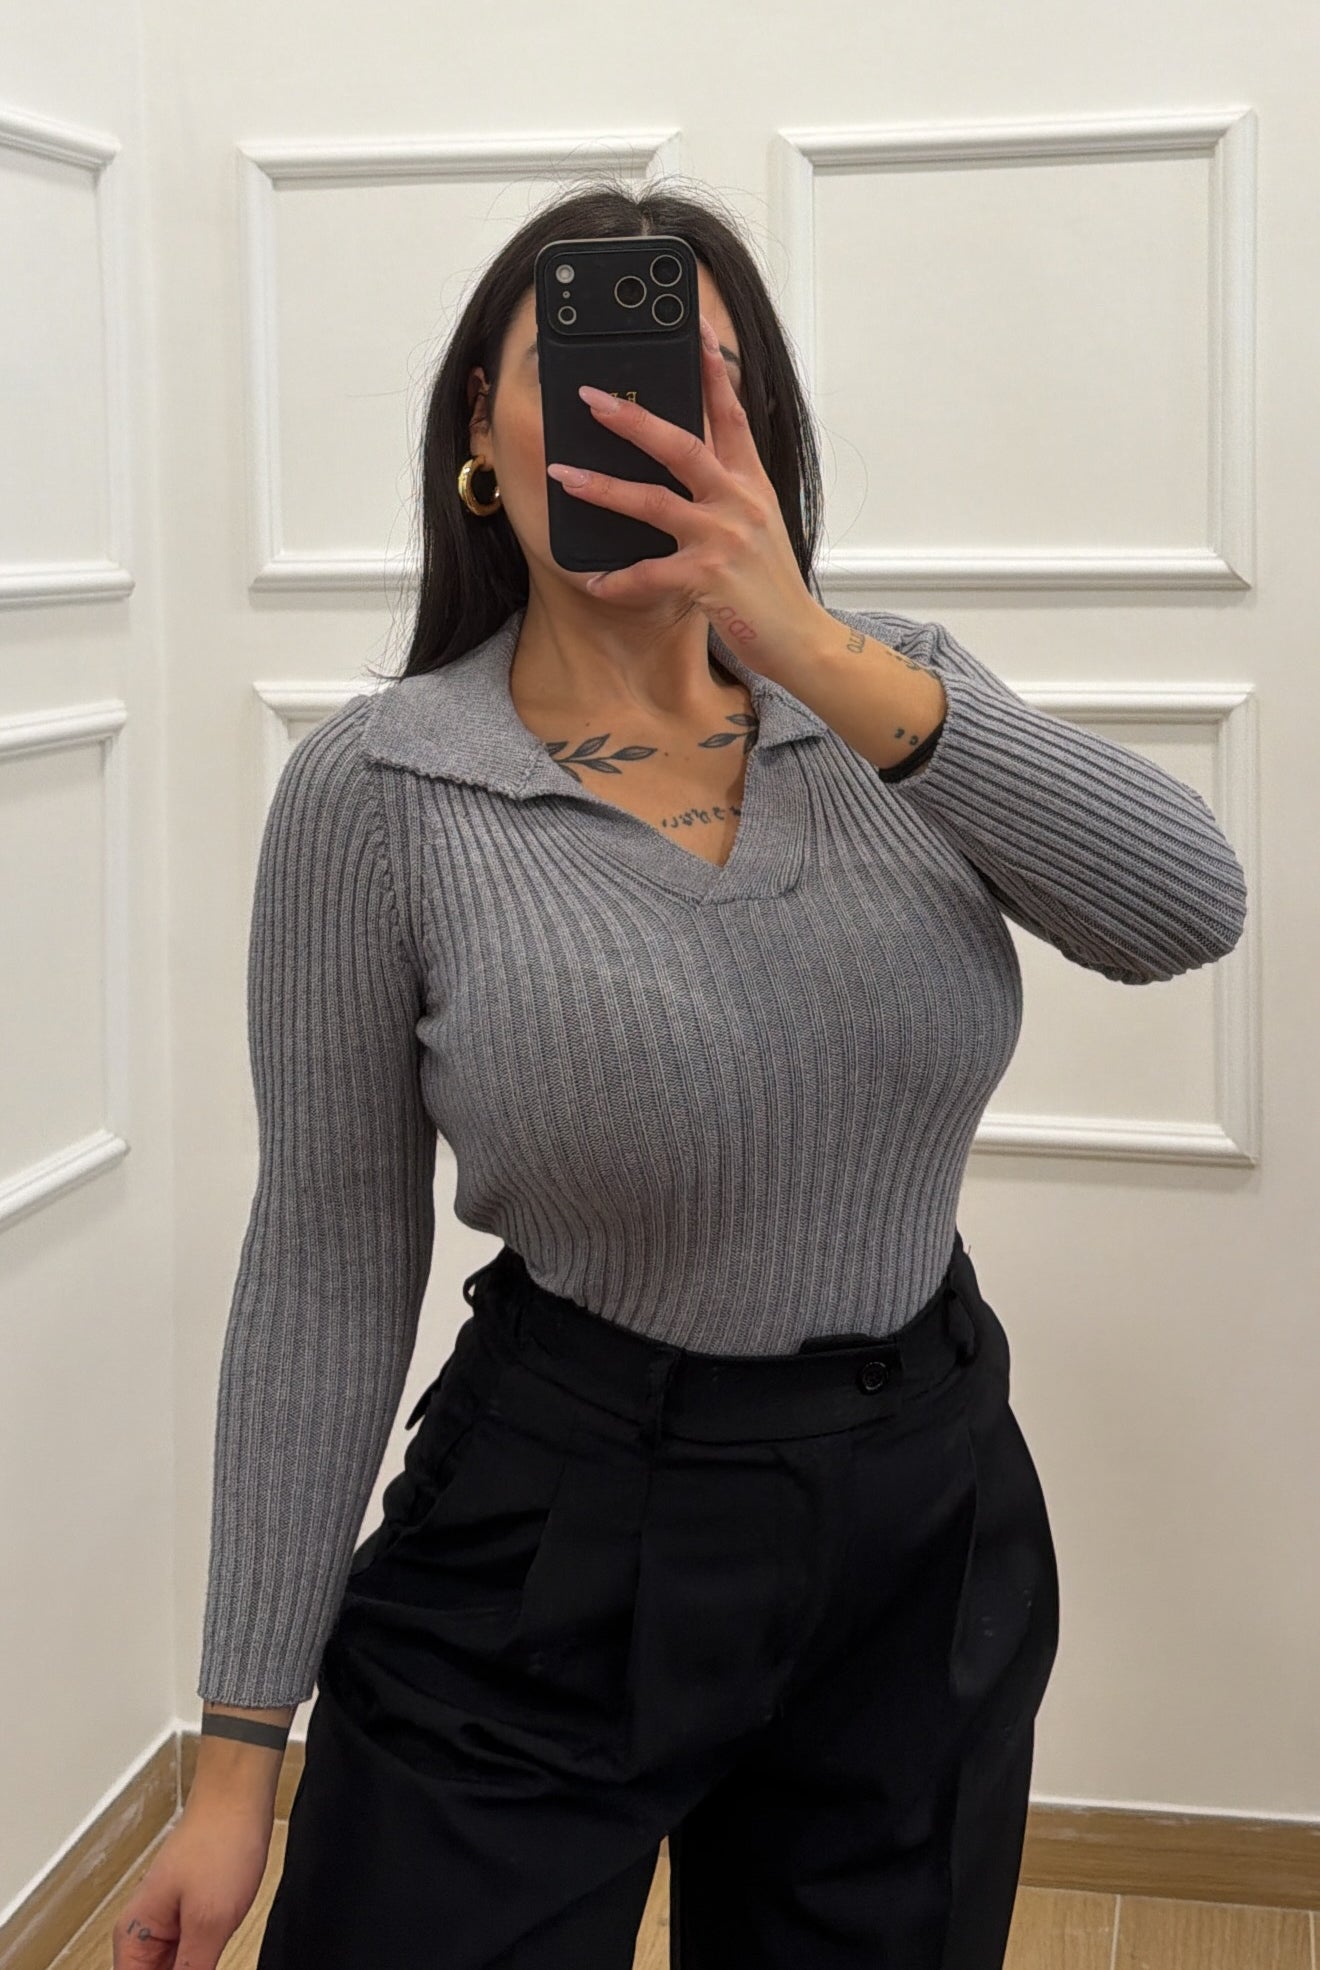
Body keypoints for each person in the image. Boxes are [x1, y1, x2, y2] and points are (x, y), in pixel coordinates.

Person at [113, 178, 1248, 1970]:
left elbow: (1186, 906)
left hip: (920, 1527)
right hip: (554, 1523)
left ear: (756, 431)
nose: (629, 416)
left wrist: (800, 641)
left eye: (690, 380)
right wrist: (240, 1749)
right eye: (570, 377)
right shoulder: (380, 792)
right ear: (482, 435)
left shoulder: (892, 697)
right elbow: (326, 1257)